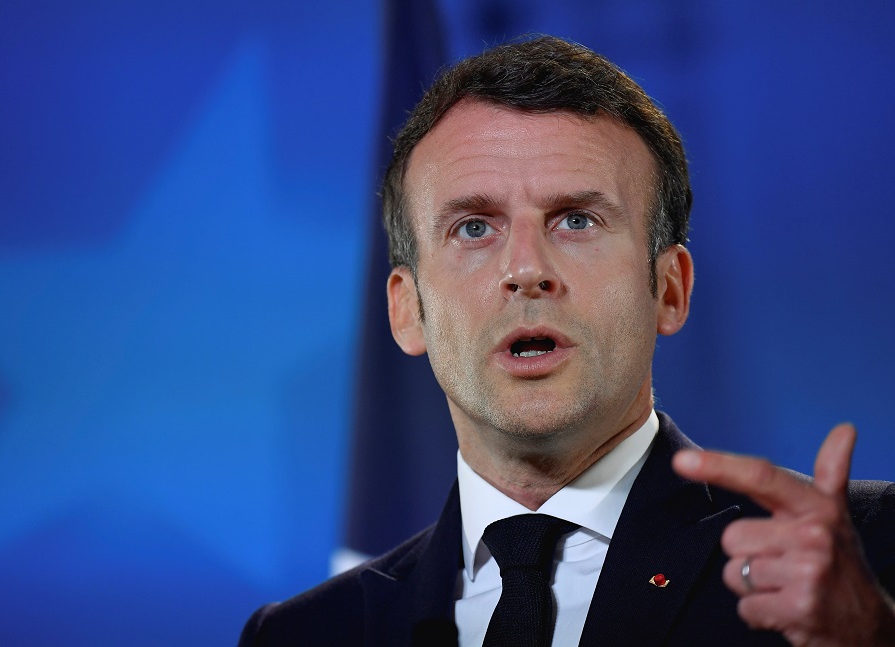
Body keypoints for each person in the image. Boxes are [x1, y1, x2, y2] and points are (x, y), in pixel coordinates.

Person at [240, 36, 895, 646]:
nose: (527, 268)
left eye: (576, 219)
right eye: (474, 228)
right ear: (407, 310)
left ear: (669, 288)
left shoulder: (863, 558)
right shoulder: (307, 634)